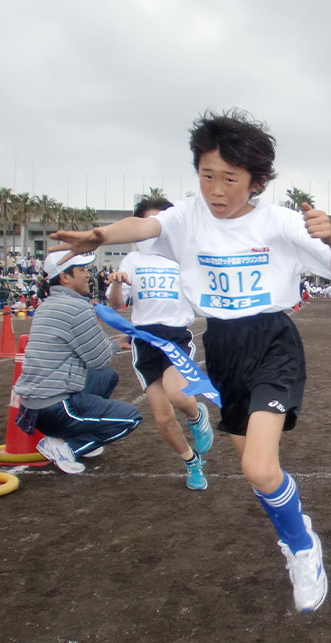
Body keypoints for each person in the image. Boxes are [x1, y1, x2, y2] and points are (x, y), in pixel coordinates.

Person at [49, 109, 331, 613]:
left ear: (255, 181)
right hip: (223, 347)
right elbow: (143, 224)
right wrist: (99, 237)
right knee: (256, 468)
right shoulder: (186, 217)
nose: (215, 188)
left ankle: (303, 547)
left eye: (229, 178)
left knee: (258, 468)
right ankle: (292, 534)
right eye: (206, 174)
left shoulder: (278, 222)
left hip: (273, 342)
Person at [106, 196, 214, 491]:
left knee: (177, 395)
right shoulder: (133, 260)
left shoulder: (184, 257)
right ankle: (191, 461)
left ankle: (196, 414)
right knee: (163, 418)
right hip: (144, 340)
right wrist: (117, 282)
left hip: (175, 336)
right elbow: (116, 305)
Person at [13, 251, 143, 474]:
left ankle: (77, 436)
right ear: (65, 278)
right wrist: (116, 343)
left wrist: (114, 343)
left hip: (32, 406)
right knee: (130, 418)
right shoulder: (76, 309)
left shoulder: (47, 305)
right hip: (55, 406)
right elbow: (98, 358)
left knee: (107, 376)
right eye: (82, 270)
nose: (88, 275)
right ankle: (69, 447)